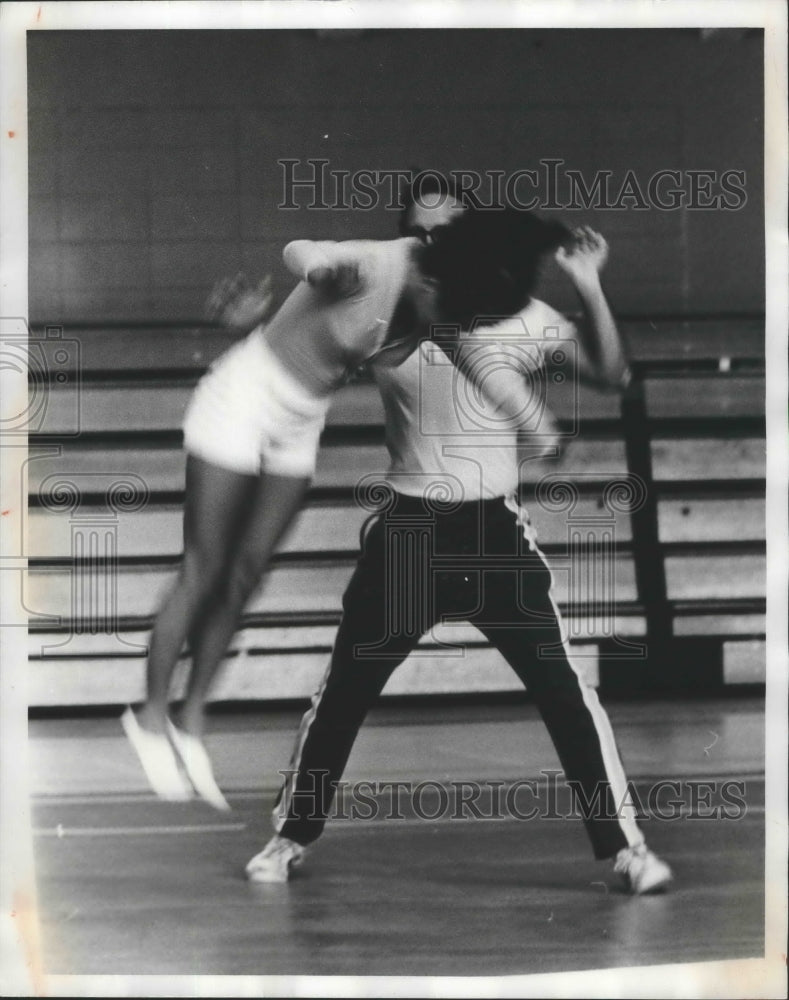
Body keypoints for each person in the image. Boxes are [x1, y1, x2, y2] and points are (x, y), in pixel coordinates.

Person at [243, 180, 674, 895]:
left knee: (567, 693)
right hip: (410, 530)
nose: (435, 242)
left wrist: (588, 287)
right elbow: (302, 347)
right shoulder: (384, 313)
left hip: (493, 531)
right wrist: (271, 312)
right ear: (410, 241)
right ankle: (289, 837)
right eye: (423, 232)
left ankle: (624, 848)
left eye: (449, 229)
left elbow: (610, 374)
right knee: (345, 692)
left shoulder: (520, 315)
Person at [121, 211, 556, 810]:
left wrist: (536, 423)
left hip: (301, 420)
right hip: (242, 399)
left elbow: (480, 365)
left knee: (247, 575)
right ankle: (148, 717)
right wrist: (318, 266)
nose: (447, 325)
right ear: (428, 284)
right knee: (205, 570)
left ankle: (190, 720)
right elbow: (301, 248)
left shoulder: (440, 301)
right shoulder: (375, 266)